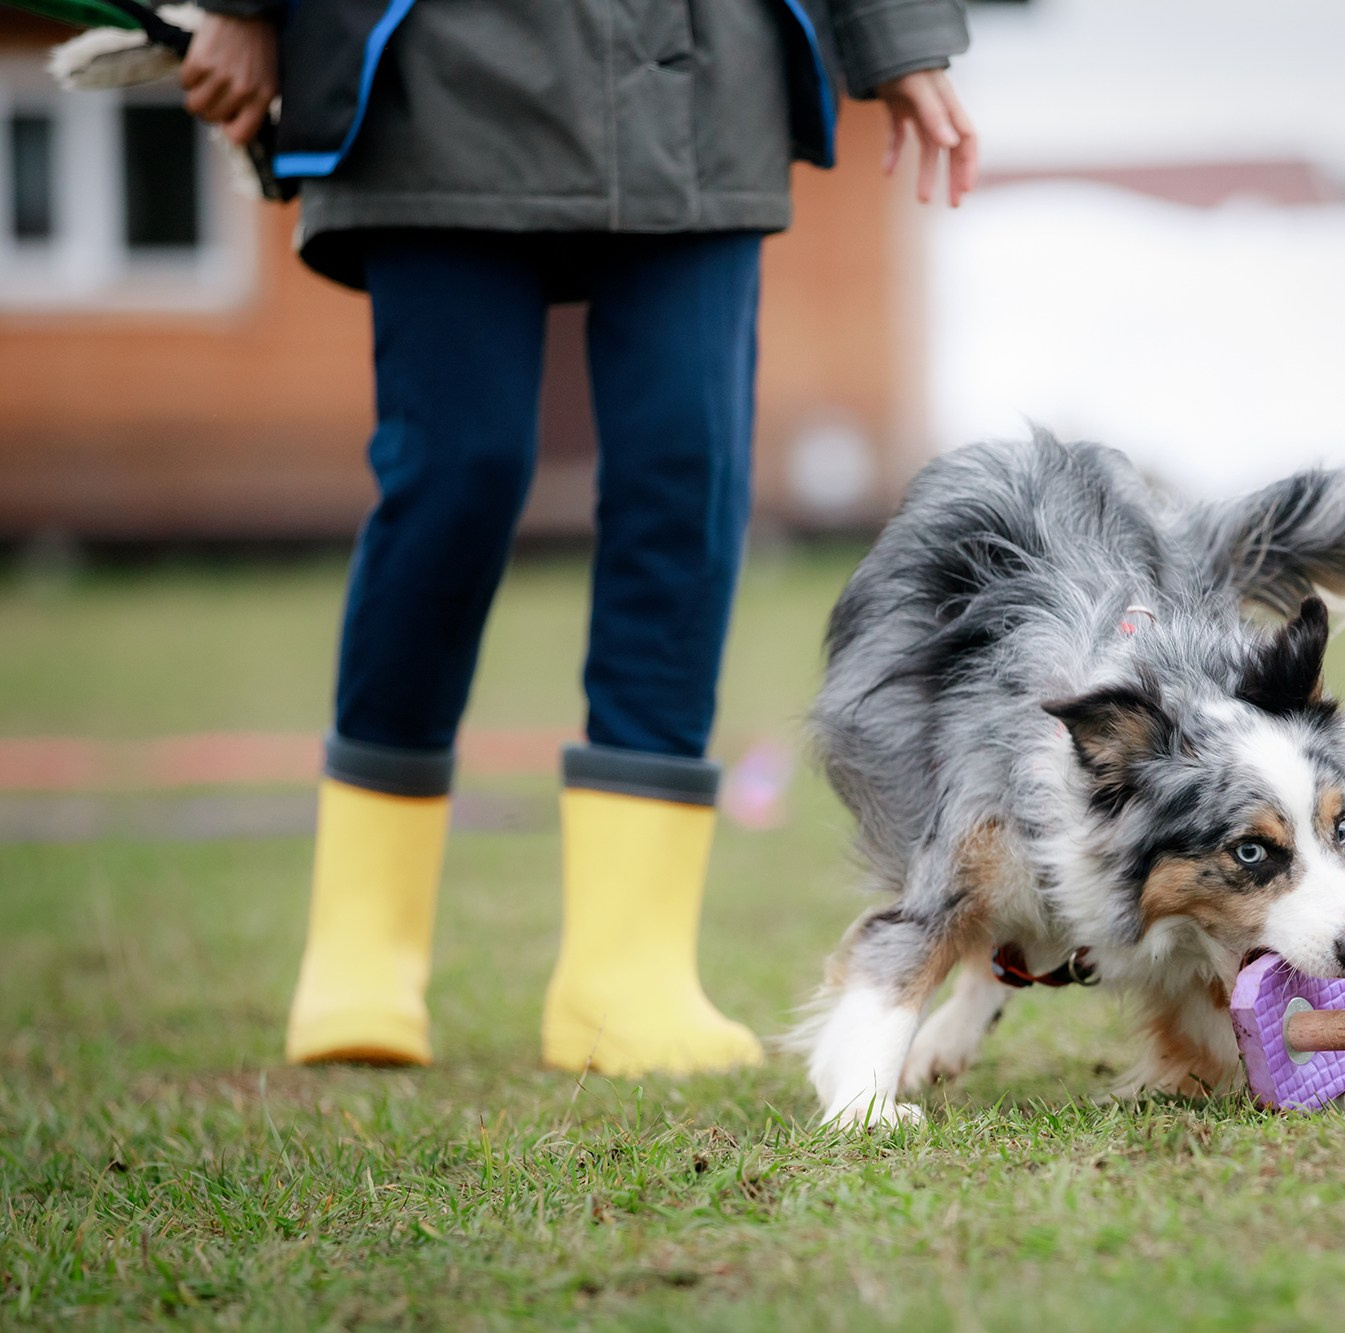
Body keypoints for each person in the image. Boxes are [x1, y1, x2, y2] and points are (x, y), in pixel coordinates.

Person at [178, 0, 978, 1076]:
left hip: (695, 71)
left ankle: (625, 967)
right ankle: (363, 940)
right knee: (454, 473)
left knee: (684, 483)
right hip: (427, 59)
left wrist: (898, 35)